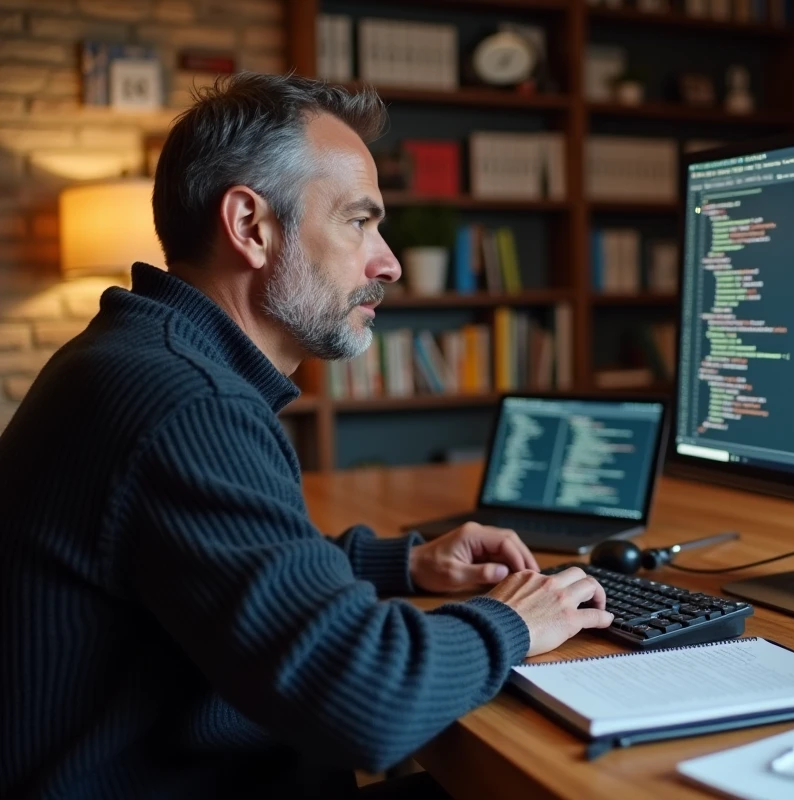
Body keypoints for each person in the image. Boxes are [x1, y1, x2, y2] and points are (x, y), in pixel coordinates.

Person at [0, 73, 613, 799]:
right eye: (359, 222)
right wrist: (511, 619)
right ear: (250, 226)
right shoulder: (189, 402)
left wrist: (403, 564)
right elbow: (368, 700)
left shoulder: (132, 358)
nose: (388, 263)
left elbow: (215, 561)